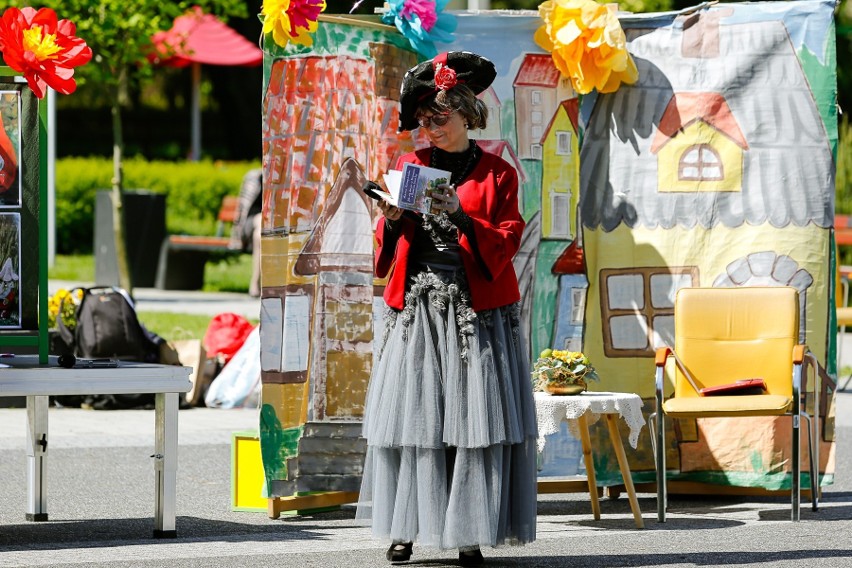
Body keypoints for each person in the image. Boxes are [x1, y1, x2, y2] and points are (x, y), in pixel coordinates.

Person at [357, 51, 538, 567]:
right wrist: (392, 217)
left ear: (466, 113)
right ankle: (405, 529)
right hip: (418, 308)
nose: (430, 129)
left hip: (474, 312)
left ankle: (468, 533)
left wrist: (461, 216)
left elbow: (506, 244)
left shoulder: (499, 174)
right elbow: (386, 251)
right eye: (423, 121)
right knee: (415, 421)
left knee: (472, 422)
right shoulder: (411, 167)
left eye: (439, 119)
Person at [230, 167, 262, 297]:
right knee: (262, 223)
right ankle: (256, 282)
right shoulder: (255, 176)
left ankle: (256, 282)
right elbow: (242, 211)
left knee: (260, 234)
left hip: (270, 227)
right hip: (250, 222)